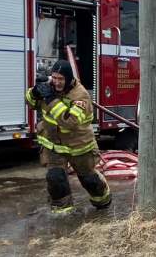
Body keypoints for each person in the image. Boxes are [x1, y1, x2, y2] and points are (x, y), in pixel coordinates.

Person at [25, 59, 111, 213]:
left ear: (69, 78)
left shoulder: (81, 96)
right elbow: (30, 103)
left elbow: (69, 122)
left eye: (61, 79)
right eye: (55, 78)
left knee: (89, 180)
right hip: (54, 146)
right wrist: (34, 92)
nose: (57, 82)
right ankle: (63, 216)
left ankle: (104, 203)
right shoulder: (49, 87)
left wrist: (51, 99)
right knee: (55, 179)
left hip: (79, 147)